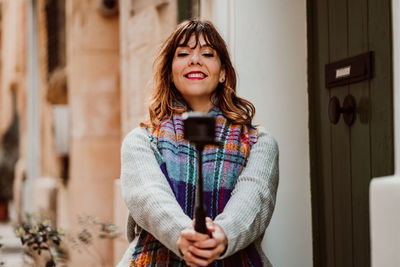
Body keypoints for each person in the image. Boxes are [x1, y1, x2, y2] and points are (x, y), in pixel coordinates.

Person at [117, 19, 279, 267]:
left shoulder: (259, 141)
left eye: (207, 53)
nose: (195, 59)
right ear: (170, 74)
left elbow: (254, 197)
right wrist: (185, 236)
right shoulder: (140, 141)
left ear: (223, 72)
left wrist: (221, 236)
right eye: (183, 53)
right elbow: (149, 197)